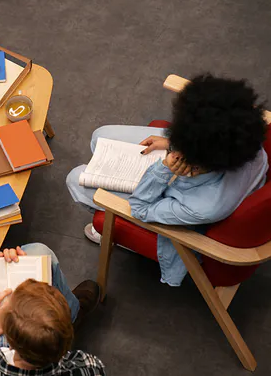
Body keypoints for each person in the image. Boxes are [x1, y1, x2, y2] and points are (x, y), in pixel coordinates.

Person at [66, 74, 268, 286]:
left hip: (168, 193)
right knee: (101, 137)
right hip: (201, 151)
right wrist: (175, 141)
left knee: (75, 178)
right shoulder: (249, 145)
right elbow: (215, 133)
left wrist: (162, 169)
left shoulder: (205, 206)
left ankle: (119, 233)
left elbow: (140, 208)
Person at [0, 244, 105, 376]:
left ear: (9, 340)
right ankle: (75, 313)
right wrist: (29, 265)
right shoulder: (90, 367)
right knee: (40, 250)